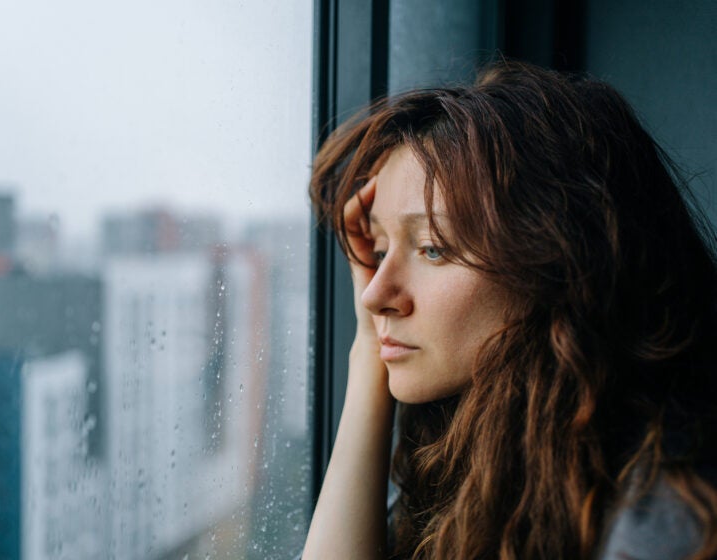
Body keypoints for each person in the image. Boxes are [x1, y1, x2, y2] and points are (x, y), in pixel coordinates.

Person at [302, 61, 717, 559]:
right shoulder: (474, 456)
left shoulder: (666, 513)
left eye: (433, 248)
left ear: (559, 263)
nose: (374, 295)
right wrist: (369, 347)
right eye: (380, 249)